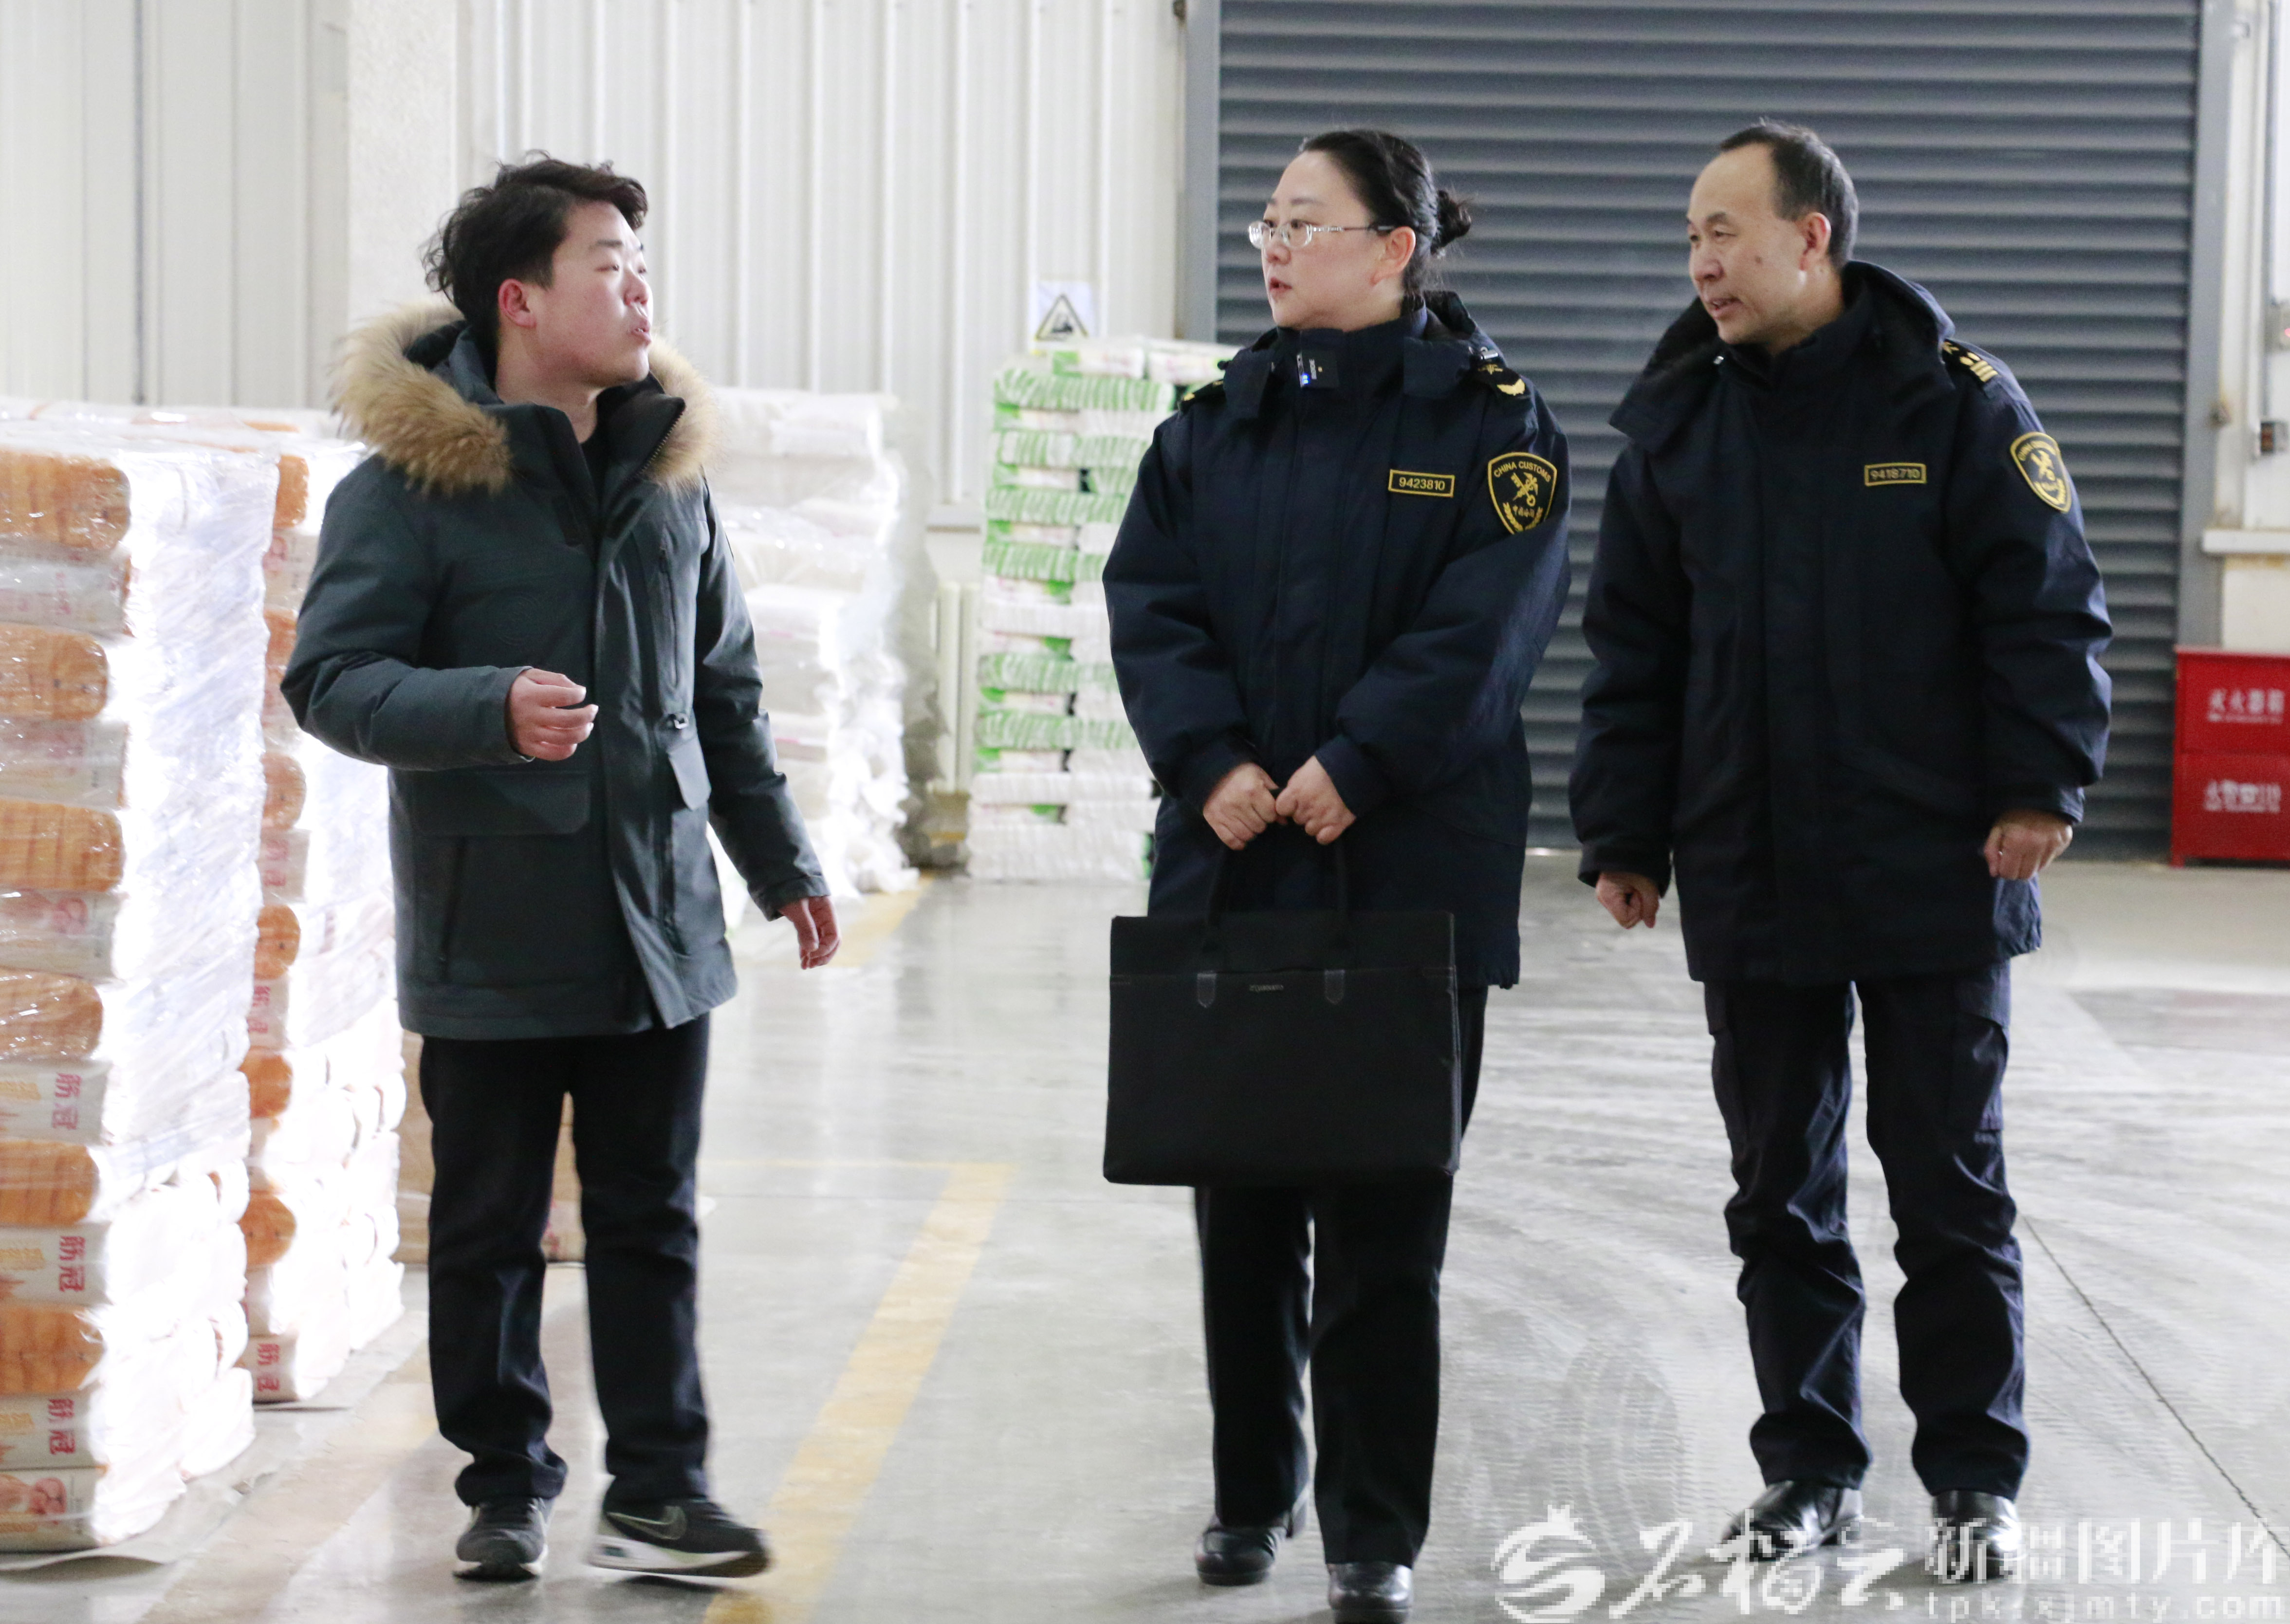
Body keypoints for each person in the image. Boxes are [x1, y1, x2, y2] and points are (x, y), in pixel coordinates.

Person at [284, 156, 839, 1583]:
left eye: (642, 265)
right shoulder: (411, 491)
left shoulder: (670, 486)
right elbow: (331, 680)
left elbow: (722, 691)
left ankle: (659, 1488)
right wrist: (488, 708)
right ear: (521, 301)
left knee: (654, 1221)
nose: (641, 291)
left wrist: (779, 861)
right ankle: (504, 1483)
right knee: (489, 1230)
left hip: (660, 925)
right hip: (496, 928)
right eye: (608, 265)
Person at [1569, 122, 2111, 1582]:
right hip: (1752, 861)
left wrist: (2041, 784)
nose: (1701, 261)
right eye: (1691, 236)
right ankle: (1807, 1467)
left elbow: (2048, 605)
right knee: (1778, 1195)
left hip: (1939, 864)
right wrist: (1623, 829)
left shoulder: (1958, 401)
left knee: (1948, 1189)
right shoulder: (1679, 421)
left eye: (1725, 231)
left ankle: (1974, 1479)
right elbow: (1634, 648)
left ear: (1811, 238)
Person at [1107, 128, 1570, 1624]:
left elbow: (1488, 631)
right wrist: (1210, 761)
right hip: (1238, 861)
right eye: (1267, 219)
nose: (1272, 243)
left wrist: (1358, 761)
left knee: (1384, 1225)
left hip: (1404, 875)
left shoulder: (1494, 428)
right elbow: (1151, 602)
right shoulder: (1214, 427)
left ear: (1394, 249)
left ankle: (1373, 1528)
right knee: (1240, 1216)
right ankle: (1255, 1493)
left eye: (1305, 221)